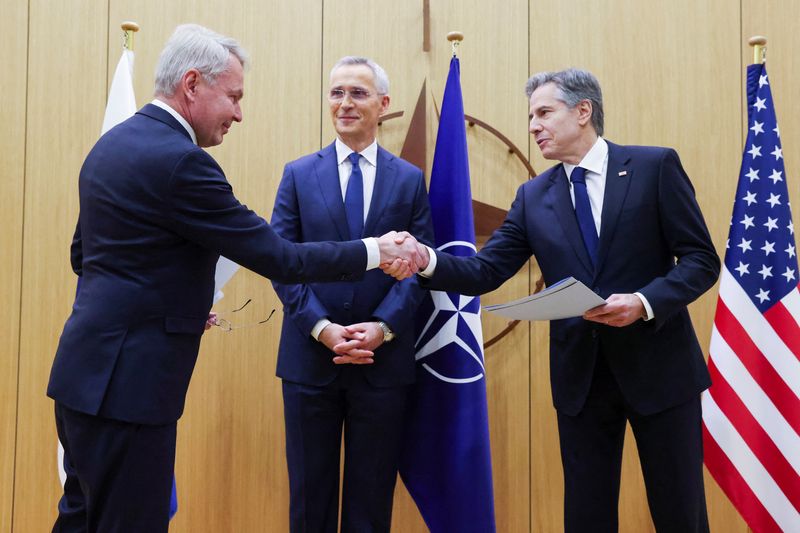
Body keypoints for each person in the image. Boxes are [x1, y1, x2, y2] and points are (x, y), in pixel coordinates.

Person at [47, 25, 421, 533]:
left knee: (80, 519)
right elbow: (281, 258)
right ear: (194, 84)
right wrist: (377, 250)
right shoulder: (183, 162)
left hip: (81, 377)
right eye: (234, 97)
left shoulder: (112, 145)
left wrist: (172, 303)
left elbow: (85, 256)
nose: (239, 113)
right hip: (129, 388)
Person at [388, 68, 720, 532]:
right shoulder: (532, 196)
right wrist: (425, 260)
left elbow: (702, 260)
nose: (533, 126)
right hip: (581, 382)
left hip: (661, 373)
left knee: (680, 513)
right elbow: (485, 271)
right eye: (531, 116)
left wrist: (643, 302)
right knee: (586, 517)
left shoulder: (654, 167)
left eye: (544, 112)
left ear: (583, 111)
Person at [270, 56, 434, 533]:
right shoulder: (298, 175)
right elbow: (282, 263)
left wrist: (382, 329)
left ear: (383, 104)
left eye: (357, 93)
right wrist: (322, 328)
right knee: (309, 500)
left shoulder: (408, 180)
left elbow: (421, 271)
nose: (344, 103)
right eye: (336, 92)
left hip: (382, 365)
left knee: (371, 501)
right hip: (309, 360)